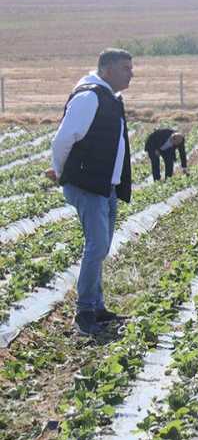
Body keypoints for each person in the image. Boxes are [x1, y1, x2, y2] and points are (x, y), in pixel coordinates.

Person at [47, 48, 134, 336]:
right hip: (88, 185)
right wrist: (61, 172)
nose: (131, 74)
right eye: (125, 68)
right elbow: (62, 140)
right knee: (96, 246)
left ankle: (97, 306)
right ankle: (84, 311)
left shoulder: (110, 97)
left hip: (105, 186)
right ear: (107, 70)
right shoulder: (89, 97)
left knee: (101, 247)